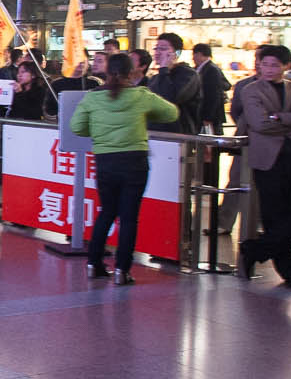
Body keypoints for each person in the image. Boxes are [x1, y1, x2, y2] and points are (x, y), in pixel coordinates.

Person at [68, 52, 177, 284]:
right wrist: (147, 115)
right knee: (129, 218)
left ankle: (93, 264)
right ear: (132, 73)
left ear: (107, 72)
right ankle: (122, 271)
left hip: (105, 160)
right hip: (134, 161)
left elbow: (76, 127)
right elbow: (171, 113)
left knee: (106, 212)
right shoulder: (141, 96)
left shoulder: (92, 98)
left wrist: (98, 133)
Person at [233, 44, 291, 288]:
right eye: (265, 64)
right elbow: (259, 123)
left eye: (276, 65)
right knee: (275, 217)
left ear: (287, 66)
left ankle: (254, 249)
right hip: (267, 160)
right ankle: (289, 271)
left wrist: (280, 117)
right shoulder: (251, 90)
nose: (270, 69)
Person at [143, 32, 203, 134]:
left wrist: (164, 68)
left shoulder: (189, 75)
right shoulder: (155, 78)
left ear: (177, 53)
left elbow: (169, 98)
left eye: (163, 49)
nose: (157, 52)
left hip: (178, 136)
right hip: (154, 133)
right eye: (156, 48)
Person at [191, 43, 229, 136]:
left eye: (194, 55)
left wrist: (208, 117)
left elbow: (213, 95)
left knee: (210, 141)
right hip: (202, 114)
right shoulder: (200, 68)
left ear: (199, 54)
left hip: (210, 116)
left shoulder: (212, 69)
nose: (193, 58)